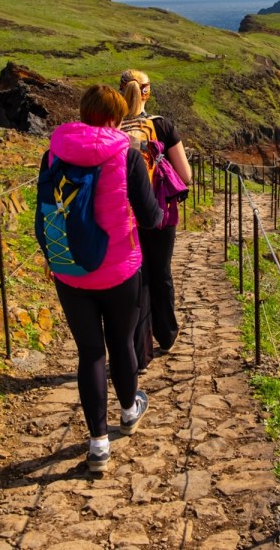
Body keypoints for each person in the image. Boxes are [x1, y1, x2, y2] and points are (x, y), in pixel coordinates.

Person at [45, 84, 162, 473]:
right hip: (119, 269)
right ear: (115, 117)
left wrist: (52, 255)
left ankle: (98, 445)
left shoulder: (54, 152)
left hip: (70, 269)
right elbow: (150, 217)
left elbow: (46, 208)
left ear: (83, 112)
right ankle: (128, 412)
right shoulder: (126, 154)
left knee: (90, 353)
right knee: (121, 342)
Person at [119, 69, 192, 360]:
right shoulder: (162, 125)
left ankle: (139, 346)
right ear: (148, 92)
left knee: (137, 276)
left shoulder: (111, 128)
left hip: (123, 214)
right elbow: (185, 175)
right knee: (161, 272)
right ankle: (166, 334)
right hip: (159, 212)